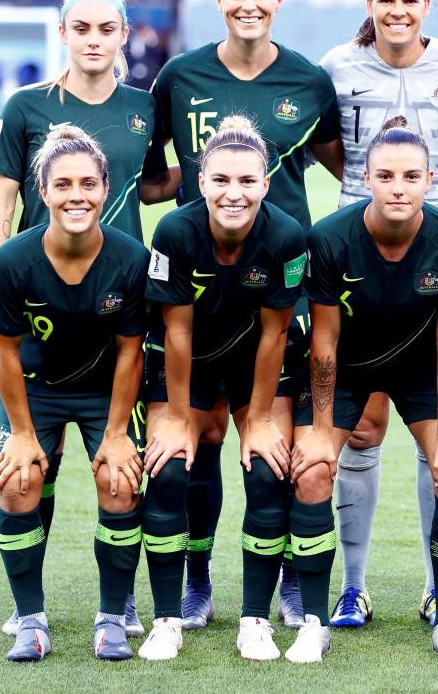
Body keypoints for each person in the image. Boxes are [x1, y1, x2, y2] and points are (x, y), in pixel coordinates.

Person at [145, 0, 343, 631]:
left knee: (272, 441)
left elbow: (344, 165)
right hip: (201, 283)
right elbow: (151, 178)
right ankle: (196, 578)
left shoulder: (309, 81)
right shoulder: (179, 76)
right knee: (196, 438)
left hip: (278, 279)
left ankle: (287, 581)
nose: (248, 3)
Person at [0, 0, 176, 638]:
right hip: (38, 306)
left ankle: (116, 604)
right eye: (81, 28)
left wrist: (223, 169)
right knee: (30, 466)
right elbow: (0, 206)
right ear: (64, 33)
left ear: (125, 35)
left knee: (123, 468)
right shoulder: (26, 106)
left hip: (121, 301)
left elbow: (152, 186)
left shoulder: (144, 109)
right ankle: (27, 606)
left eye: (106, 28)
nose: (94, 39)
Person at [315, 0, 438, 628]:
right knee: (360, 426)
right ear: (368, 0)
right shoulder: (337, 66)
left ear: (429, 2)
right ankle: (353, 585)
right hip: (360, 254)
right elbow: (326, 144)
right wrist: (373, 188)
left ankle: (431, 586)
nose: (397, 9)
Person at [291, 117, 438, 662]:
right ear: (366, 179)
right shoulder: (329, 239)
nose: (398, 186)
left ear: (430, 179)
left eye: (410, 176)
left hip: (423, 370)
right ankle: (315, 619)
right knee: (310, 470)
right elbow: (324, 344)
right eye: (385, 175)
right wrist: (322, 430)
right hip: (350, 369)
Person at [0, 126, 150, 661]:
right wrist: (24, 435)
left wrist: (119, 434)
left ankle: (112, 614)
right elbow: (4, 352)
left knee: (120, 480)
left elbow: (131, 353)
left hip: (105, 392)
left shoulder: (130, 259)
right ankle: (29, 617)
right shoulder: (12, 260)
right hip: (35, 392)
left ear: (104, 188)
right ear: (43, 193)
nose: (78, 195)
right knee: (19, 479)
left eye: (89, 184)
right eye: (64, 185)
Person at [139, 115, 308, 662]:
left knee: (267, 467)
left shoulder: (285, 235)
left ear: (265, 182)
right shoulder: (175, 232)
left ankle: (256, 618)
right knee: (169, 463)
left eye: (246, 182)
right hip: (190, 358)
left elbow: (275, 333)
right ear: (200, 180)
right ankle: (180, 603)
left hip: (258, 359)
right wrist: (175, 417)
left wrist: (258, 417)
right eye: (220, 181)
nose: (233, 194)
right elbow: (178, 330)